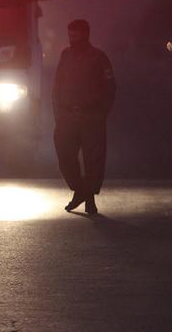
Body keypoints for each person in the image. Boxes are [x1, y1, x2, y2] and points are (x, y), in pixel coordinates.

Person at [52, 19, 116, 215]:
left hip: (91, 116)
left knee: (93, 160)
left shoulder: (98, 57)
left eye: (76, 35)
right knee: (65, 155)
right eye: (70, 35)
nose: (72, 39)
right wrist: (58, 111)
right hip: (67, 115)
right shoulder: (66, 55)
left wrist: (102, 112)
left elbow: (110, 86)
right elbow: (57, 85)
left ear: (86, 35)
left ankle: (89, 199)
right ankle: (78, 190)